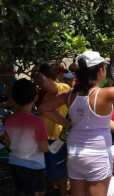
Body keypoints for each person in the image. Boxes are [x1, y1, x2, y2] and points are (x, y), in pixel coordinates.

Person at [39, 51, 114, 195]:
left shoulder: (70, 94)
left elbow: (44, 108)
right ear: (101, 71)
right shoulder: (103, 94)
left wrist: (66, 123)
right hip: (97, 154)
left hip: (74, 153)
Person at [4, 79, 49, 196]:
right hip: (33, 165)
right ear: (35, 98)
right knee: (38, 192)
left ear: (13, 98)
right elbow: (44, 148)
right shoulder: (38, 121)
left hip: (15, 163)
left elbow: (8, 144)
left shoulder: (9, 119)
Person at [35, 64, 70, 196]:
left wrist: (36, 72)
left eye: (38, 80)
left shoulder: (63, 87)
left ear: (48, 78)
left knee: (59, 172)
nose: (36, 83)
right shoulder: (43, 92)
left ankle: (62, 193)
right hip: (44, 137)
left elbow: (46, 85)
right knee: (45, 168)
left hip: (57, 138)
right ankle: (50, 190)